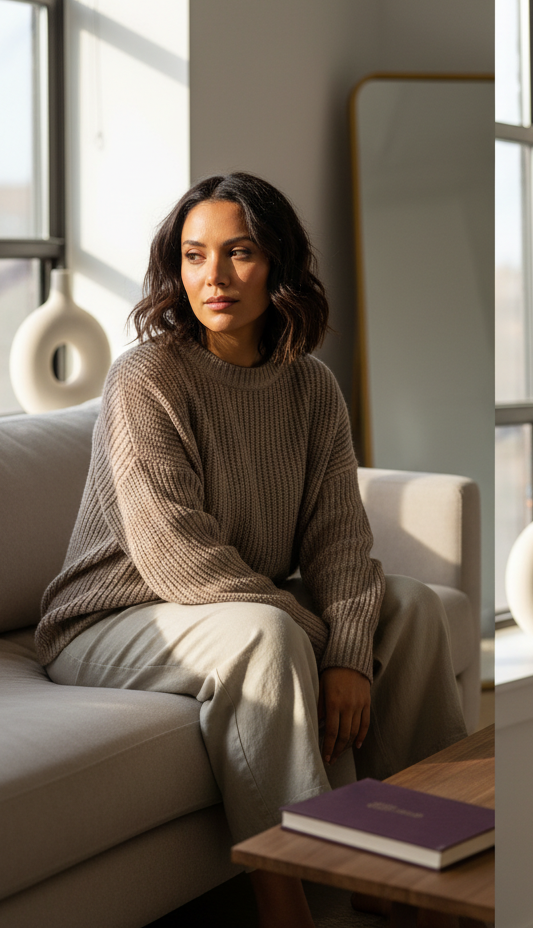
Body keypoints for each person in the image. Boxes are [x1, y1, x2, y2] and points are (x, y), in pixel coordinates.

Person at [36, 172, 467, 928]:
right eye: (195, 256)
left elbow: (338, 539)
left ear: (278, 265)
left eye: (238, 253)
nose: (214, 277)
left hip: (227, 607)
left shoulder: (311, 388)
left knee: (414, 608)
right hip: (113, 619)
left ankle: (423, 867)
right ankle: (288, 896)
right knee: (269, 635)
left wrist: (350, 649)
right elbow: (177, 557)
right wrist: (327, 650)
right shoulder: (145, 378)